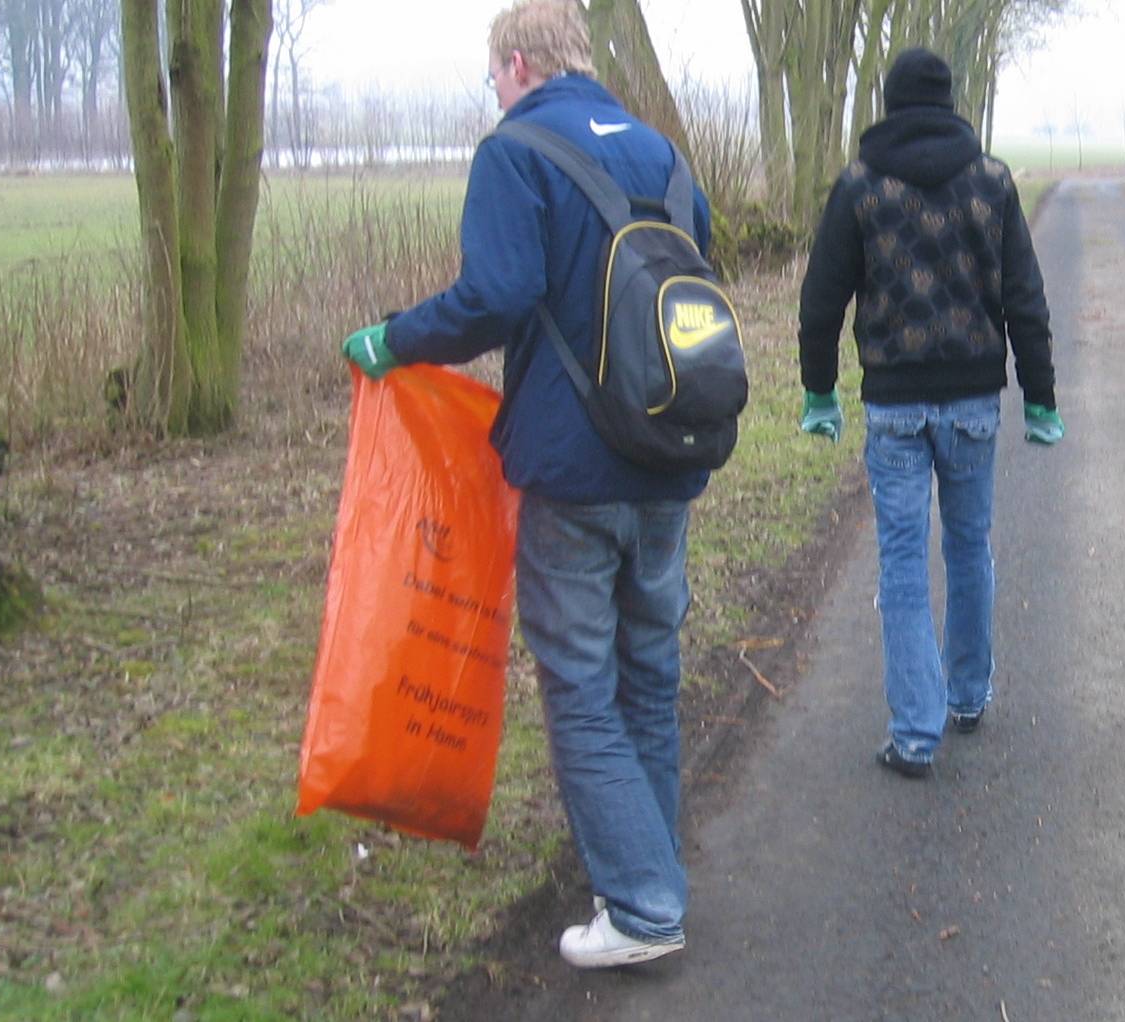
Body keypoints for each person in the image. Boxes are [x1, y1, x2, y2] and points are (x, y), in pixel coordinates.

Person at [338, 0, 713, 969]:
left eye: (492, 76)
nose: (494, 91)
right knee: (649, 673)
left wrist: (395, 338)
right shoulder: (663, 155)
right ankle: (650, 870)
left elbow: (495, 296)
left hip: (574, 469)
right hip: (669, 452)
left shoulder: (515, 154)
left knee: (580, 685)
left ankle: (642, 906)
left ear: (515, 65)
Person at [795, 47, 1062, 779]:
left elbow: (820, 301)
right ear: (949, 101)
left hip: (895, 407)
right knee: (970, 547)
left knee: (903, 564)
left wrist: (820, 391)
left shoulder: (860, 184)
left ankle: (915, 732)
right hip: (974, 401)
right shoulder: (992, 180)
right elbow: (1026, 300)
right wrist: (1039, 397)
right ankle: (967, 696)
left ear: (889, 102)